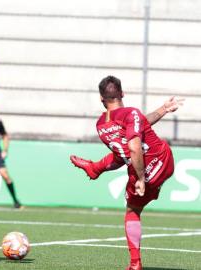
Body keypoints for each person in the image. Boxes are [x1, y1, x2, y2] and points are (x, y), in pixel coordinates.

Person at [70, 75, 183, 270]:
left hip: (143, 168)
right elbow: (134, 142)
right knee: (127, 152)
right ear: (122, 93)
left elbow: (132, 143)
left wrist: (140, 178)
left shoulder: (101, 125)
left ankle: (135, 263)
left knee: (132, 211)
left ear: (101, 99)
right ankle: (95, 168)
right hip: (164, 160)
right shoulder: (132, 113)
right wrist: (141, 177)